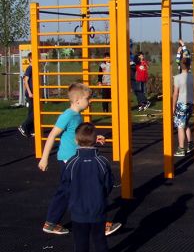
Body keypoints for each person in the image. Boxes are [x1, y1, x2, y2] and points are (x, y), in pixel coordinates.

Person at [38, 83, 120, 236]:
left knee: (69, 191)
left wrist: (95, 138)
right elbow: (52, 135)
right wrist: (44, 158)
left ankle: (51, 222)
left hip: (76, 159)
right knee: (78, 191)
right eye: (88, 99)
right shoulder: (68, 115)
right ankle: (98, 224)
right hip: (69, 161)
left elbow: (80, 137)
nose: (90, 101)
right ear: (77, 101)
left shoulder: (77, 116)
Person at [62, 122, 114, 252]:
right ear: (95, 140)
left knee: (80, 243)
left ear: (76, 140)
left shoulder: (72, 162)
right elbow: (108, 184)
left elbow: (66, 185)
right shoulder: (102, 162)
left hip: (78, 210)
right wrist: (101, 197)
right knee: (100, 241)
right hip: (98, 208)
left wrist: (72, 200)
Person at [173, 57, 194, 156]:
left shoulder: (177, 78)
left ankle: (181, 148)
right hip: (190, 103)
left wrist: (173, 106)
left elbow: (175, 94)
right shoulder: (193, 77)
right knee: (186, 124)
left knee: (180, 126)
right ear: (189, 66)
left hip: (181, 104)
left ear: (180, 66)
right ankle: (190, 144)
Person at [18, 53, 35, 137]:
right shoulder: (30, 68)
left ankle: (30, 130)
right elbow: (25, 81)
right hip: (31, 93)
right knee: (34, 112)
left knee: (31, 112)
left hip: (33, 93)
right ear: (31, 59)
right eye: (34, 57)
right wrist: (30, 92)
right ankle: (23, 126)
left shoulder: (34, 68)